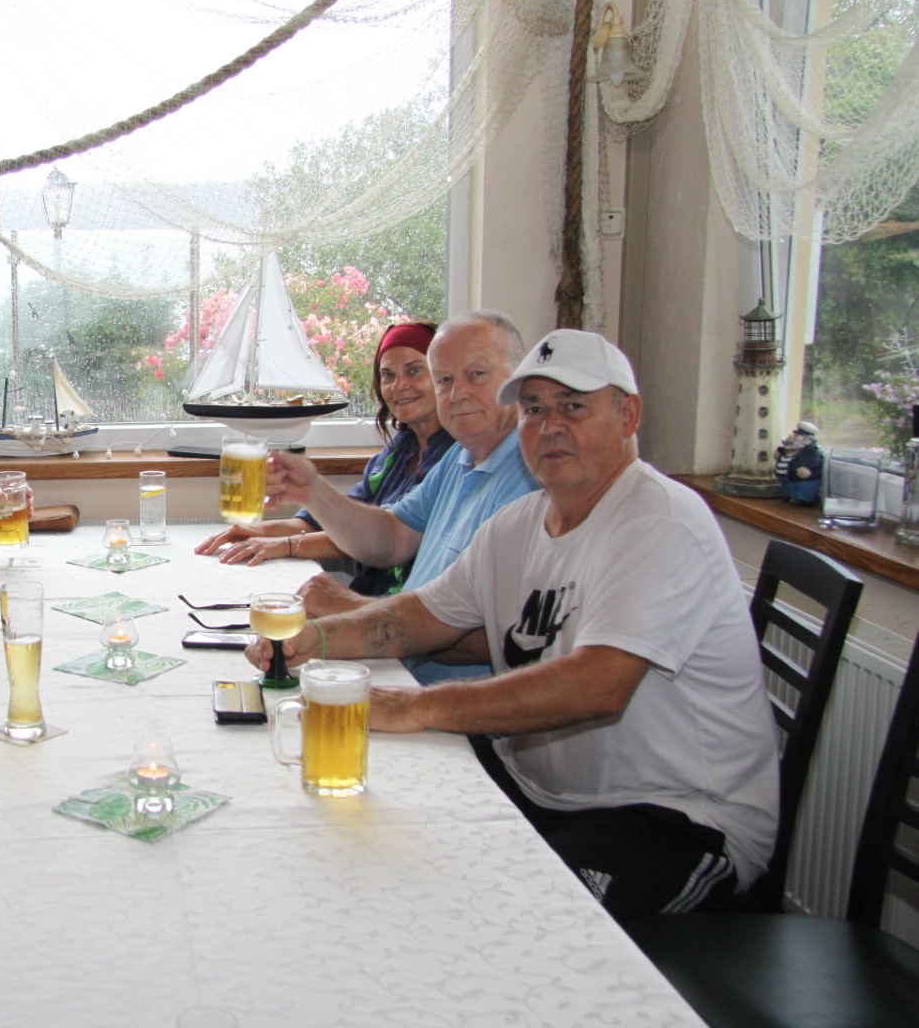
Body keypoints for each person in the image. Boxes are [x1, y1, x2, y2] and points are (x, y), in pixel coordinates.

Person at [251, 329, 780, 921]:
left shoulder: (660, 521)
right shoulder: (521, 522)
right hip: (538, 789)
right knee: (380, 863)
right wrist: (311, 640)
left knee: (510, 919)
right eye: (533, 410)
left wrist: (416, 706)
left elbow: (597, 686)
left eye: (573, 406)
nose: (549, 426)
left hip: (672, 818)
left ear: (628, 415)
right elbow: (420, 616)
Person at [210, 311, 539, 684]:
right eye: (445, 379)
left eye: (476, 374)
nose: (457, 393)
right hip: (397, 668)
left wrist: (351, 608)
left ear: (520, 380)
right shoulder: (460, 456)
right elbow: (393, 536)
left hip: (451, 702)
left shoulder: (534, 477)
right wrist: (312, 491)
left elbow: (498, 640)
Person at [194, 321, 454, 596]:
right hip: (365, 598)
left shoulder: (455, 459)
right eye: (388, 375)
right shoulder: (396, 454)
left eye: (414, 371)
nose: (399, 385)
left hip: (399, 605)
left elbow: (378, 538)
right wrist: (256, 531)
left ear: (444, 377)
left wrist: (285, 545)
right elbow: (330, 521)